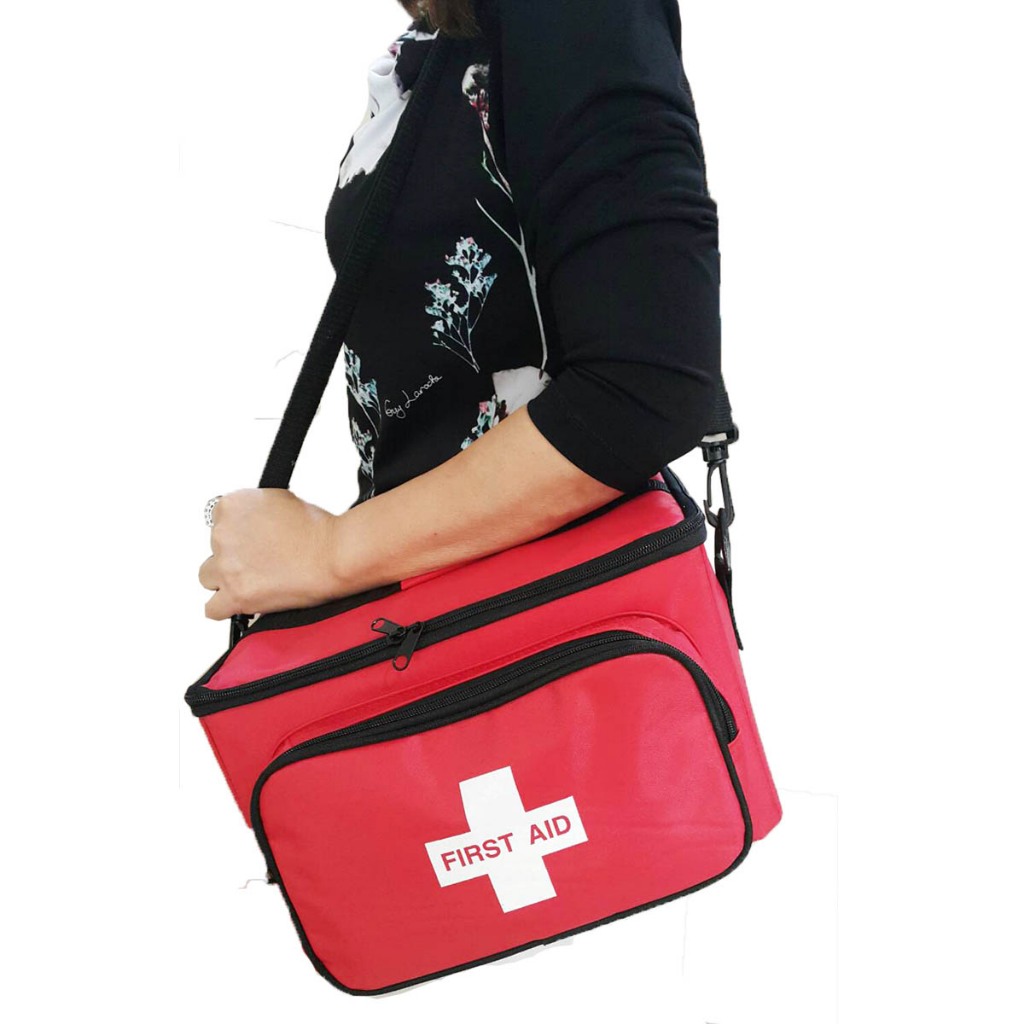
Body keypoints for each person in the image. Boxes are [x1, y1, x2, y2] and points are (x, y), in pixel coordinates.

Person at [198, 0, 722, 621]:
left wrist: (328, 551)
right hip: (453, 628)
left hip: (544, 637)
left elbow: (646, 387)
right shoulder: (451, 36)